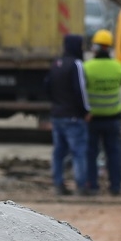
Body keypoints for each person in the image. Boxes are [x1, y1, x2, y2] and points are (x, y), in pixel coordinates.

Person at [44, 33, 89, 196]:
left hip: (57, 115)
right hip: (73, 117)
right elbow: (81, 91)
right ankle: (81, 186)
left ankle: (58, 184)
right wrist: (86, 111)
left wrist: (56, 104)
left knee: (59, 152)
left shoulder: (56, 63)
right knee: (78, 152)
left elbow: (47, 86)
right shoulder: (76, 64)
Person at [83, 28, 121, 195]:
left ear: (95, 47)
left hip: (92, 118)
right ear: (109, 47)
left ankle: (92, 186)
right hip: (113, 118)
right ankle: (115, 187)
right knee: (113, 154)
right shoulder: (118, 68)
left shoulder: (88, 68)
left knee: (91, 153)